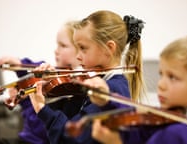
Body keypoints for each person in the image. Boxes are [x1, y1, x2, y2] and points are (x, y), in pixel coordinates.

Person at [29, 10, 145, 144]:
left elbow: (71, 138)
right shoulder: (98, 82)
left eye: (83, 48)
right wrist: (48, 91)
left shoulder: (109, 90)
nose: (78, 56)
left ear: (109, 48)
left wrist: (41, 108)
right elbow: (68, 115)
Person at [91, 33, 187, 144]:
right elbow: (141, 125)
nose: (161, 85)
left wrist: (116, 142)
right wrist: (107, 100)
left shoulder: (175, 134)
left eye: (172, 77)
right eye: (161, 74)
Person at [0, 20, 83, 144]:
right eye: (57, 45)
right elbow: (34, 69)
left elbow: (41, 128)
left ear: (80, 51)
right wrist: (19, 64)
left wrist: (30, 99)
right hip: (26, 139)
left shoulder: (74, 87)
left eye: (63, 45)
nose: (56, 50)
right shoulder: (51, 73)